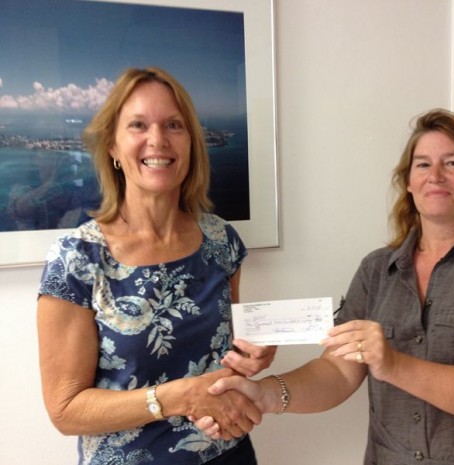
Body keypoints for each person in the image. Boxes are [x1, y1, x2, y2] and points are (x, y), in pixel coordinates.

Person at [196, 109, 454, 465]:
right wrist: (263, 395)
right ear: (409, 182)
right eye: (423, 165)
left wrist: (394, 364)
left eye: (453, 163)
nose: (435, 176)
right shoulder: (377, 270)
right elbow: (338, 372)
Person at [37, 67, 277, 465]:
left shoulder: (222, 241)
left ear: (191, 142)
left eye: (173, 125)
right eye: (138, 125)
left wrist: (251, 357)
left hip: (229, 455)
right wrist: (178, 397)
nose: (158, 139)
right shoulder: (77, 258)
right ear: (113, 146)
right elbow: (65, 410)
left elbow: (227, 354)